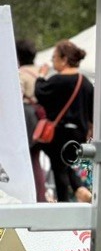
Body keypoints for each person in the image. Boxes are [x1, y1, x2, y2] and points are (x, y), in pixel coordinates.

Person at [34, 40, 94, 203]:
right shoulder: (86, 83)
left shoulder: (57, 80)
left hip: (58, 132)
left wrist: (41, 76)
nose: (53, 62)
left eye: (54, 58)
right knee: (64, 164)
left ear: (64, 59)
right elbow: (92, 110)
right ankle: (79, 189)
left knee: (59, 168)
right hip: (78, 133)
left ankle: (64, 203)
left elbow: (40, 93)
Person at [16, 39, 48, 202]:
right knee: (35, 157)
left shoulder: (20, 73)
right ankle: (40, 195)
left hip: (27, 117)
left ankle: (33, 197)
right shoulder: (41, 71)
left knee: (29, 157)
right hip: (41, 117)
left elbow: (17, 95)